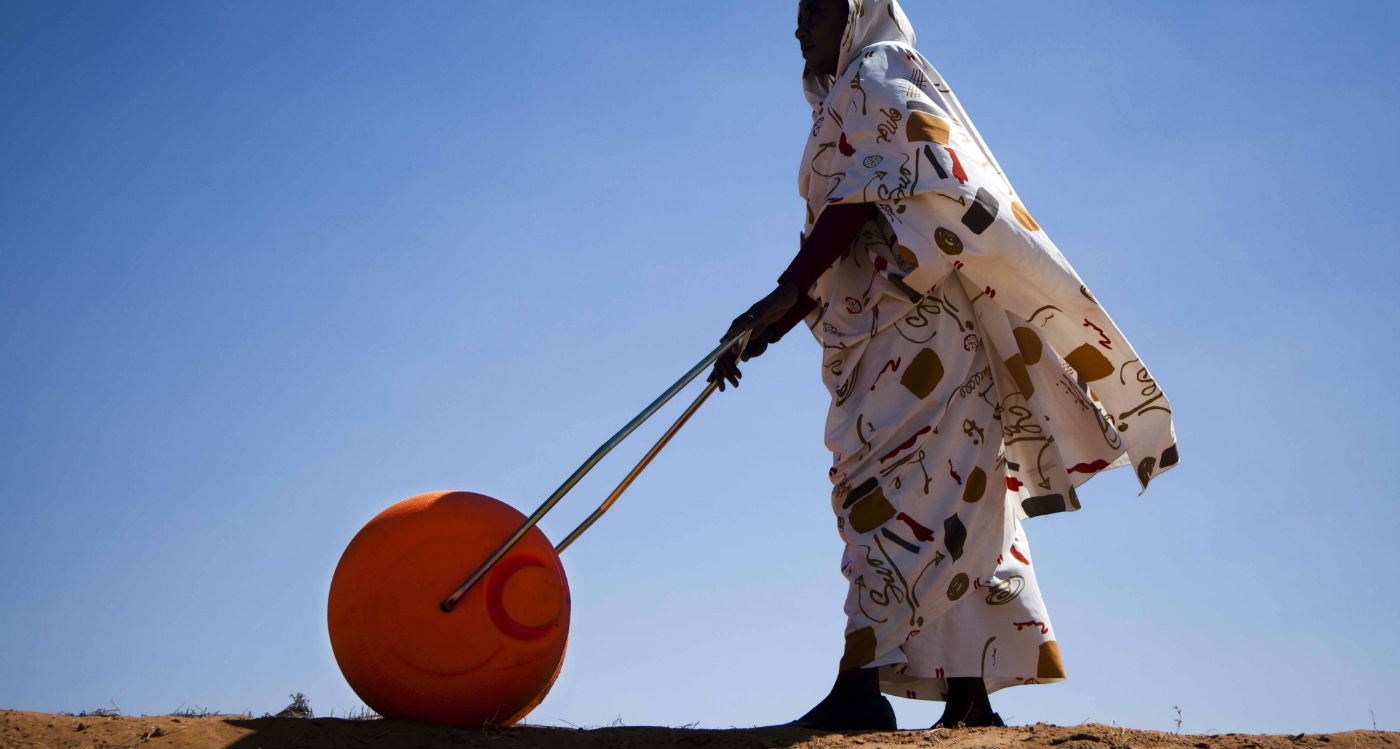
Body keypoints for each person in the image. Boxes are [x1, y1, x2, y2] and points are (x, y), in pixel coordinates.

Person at [708, 0, 1179, 731]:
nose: (801, 27)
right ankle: (968, 694)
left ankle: (860, 686)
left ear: (858, 11)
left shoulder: (878, 71)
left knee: (892, 496)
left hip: (923, 336)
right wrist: (774, 322)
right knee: (952, 499)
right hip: (897, 335)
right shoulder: (849, 94)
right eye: (798, 12)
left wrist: (786, 291)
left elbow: (876, 190)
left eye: (819, 9)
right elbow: (850, 232)